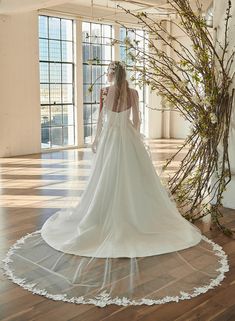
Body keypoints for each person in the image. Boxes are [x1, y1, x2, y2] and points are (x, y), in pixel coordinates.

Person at [3, 61, 227, 307]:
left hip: (112, 138)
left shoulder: (107, 92)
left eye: (109, 72)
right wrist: (133, 136)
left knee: (105, 179)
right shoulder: (133, 92)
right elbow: (137, 121)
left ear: (112, 74)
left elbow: (102, 119)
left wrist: (97, 139)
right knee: (136, 179)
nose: (107, 75)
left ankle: (105, 213)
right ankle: (136, 213)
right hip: (127, 138)